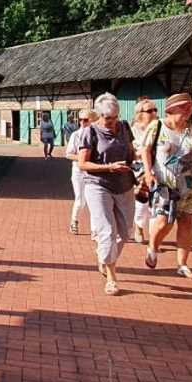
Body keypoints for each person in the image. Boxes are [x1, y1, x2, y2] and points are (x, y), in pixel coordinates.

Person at [141, 93, 192, 280]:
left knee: (187, 222)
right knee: (164, 222)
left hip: (191, 185)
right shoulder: (158, 126)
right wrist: (148, 172)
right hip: (165, 184)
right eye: (184, 107)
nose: (188, 111)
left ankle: (182, 265)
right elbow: (145, 149)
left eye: (190, 107)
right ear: (170, 110)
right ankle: (153, 246)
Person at [74, 94, 137, 295]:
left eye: (115, 117)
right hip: (98, 185)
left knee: (126, 232)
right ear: (98, 116)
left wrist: (137, 169)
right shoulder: (89, 132)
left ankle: (104, 256)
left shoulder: (125, 127)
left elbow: (131, 152)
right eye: (108, 119)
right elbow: (83, 164)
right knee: (107, 231)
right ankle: (111, 276)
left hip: (124, 184)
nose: (112, 122)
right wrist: (109, 167)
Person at [129, 97, 159, 244]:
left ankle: (154, 239)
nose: (154, 113)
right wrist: (143, 151)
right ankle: (139, 226)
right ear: (140, 113)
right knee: (142, 202)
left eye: (155, 110)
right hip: (139, 170)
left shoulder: (161, 128)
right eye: (149, 111)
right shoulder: (133, 131)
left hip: (159, 169)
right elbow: (132, 151)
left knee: (158, 205)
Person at [64, 108, 96, 235]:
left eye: (86, 120)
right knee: (81, 200)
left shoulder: (97, 134)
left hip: (93, 171)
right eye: (80, 120)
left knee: (94, 201)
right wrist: (82, 158)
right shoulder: (76, 135)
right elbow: (68, 154)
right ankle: (74, 221)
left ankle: (95, 230)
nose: (82, 122)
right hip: (78, 171)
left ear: (93, 120)